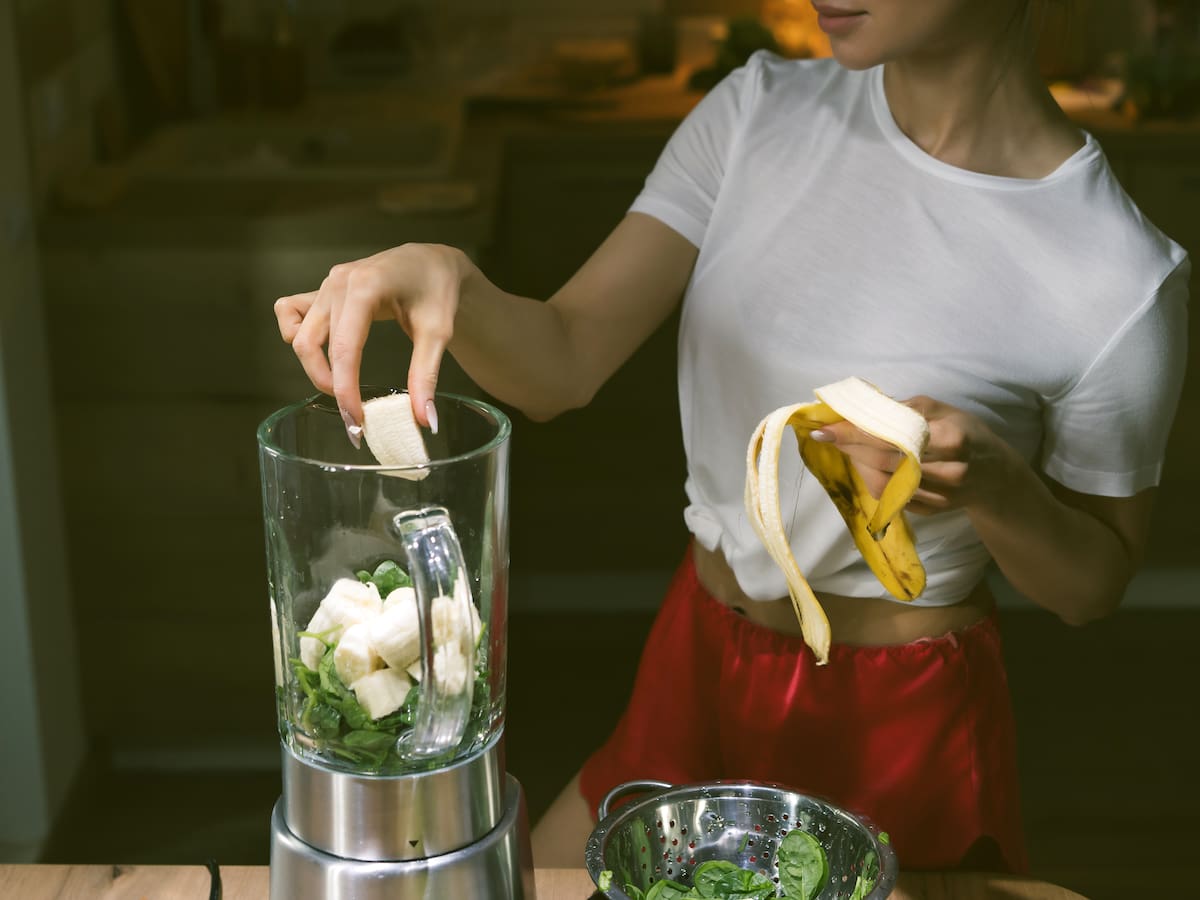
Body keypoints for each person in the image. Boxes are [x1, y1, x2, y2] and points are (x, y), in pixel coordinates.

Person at [274, 0, 1189, 877]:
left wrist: (996, 488)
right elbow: (562, 361)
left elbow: (1093, 584)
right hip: (694, 659)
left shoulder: (1117, 277)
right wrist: (449, 278)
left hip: (894, 724)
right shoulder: (757, 113)